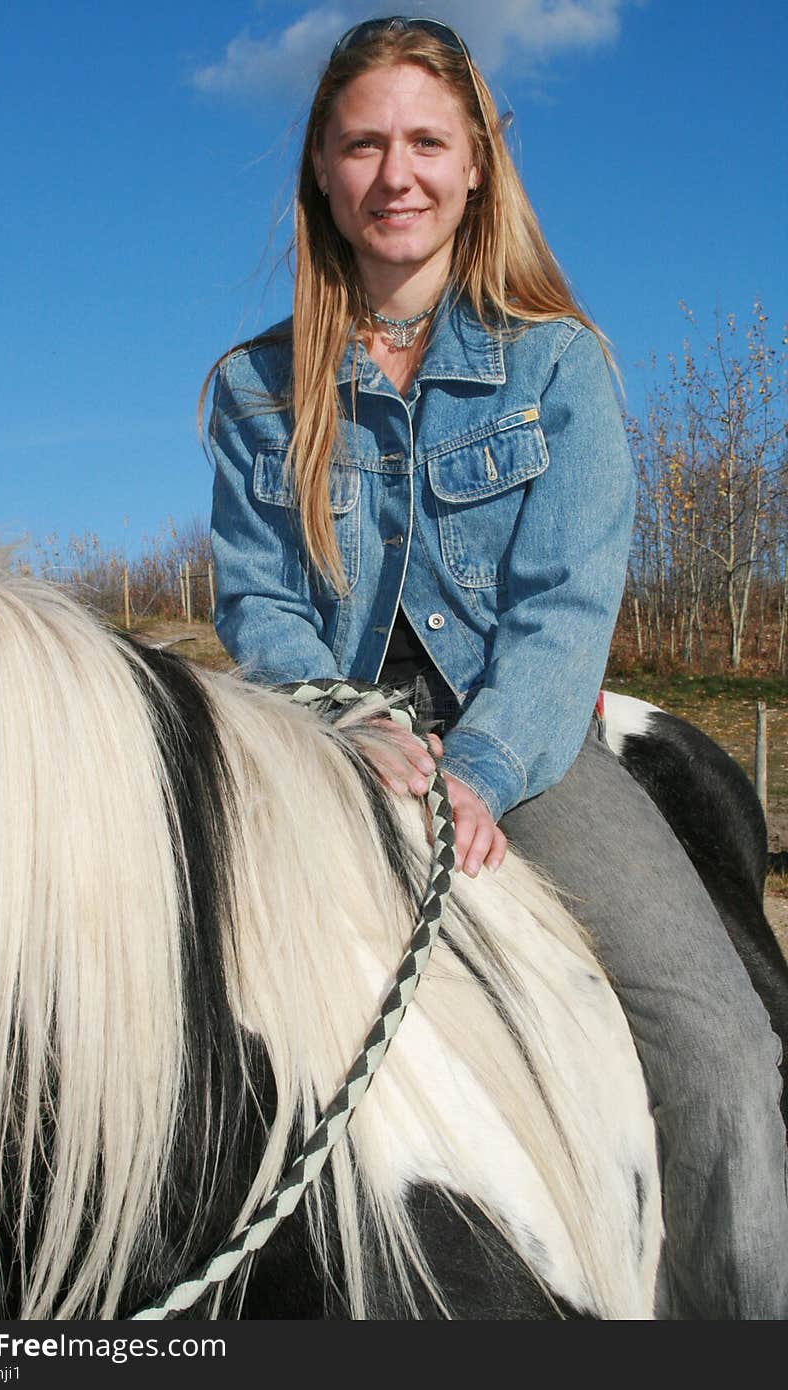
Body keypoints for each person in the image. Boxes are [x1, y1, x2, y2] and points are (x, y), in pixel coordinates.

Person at [203, 16, 788, 1318]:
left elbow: (564, 610)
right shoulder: (254, 392)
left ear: (477, 165)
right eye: (362, 143)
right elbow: (259, 601)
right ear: (320, 168)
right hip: (315, 745)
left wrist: (475, 765)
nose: (394, 172)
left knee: (721, 1045)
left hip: (523, 745)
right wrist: (339, 718)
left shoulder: (560, 365)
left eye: (426, 140)